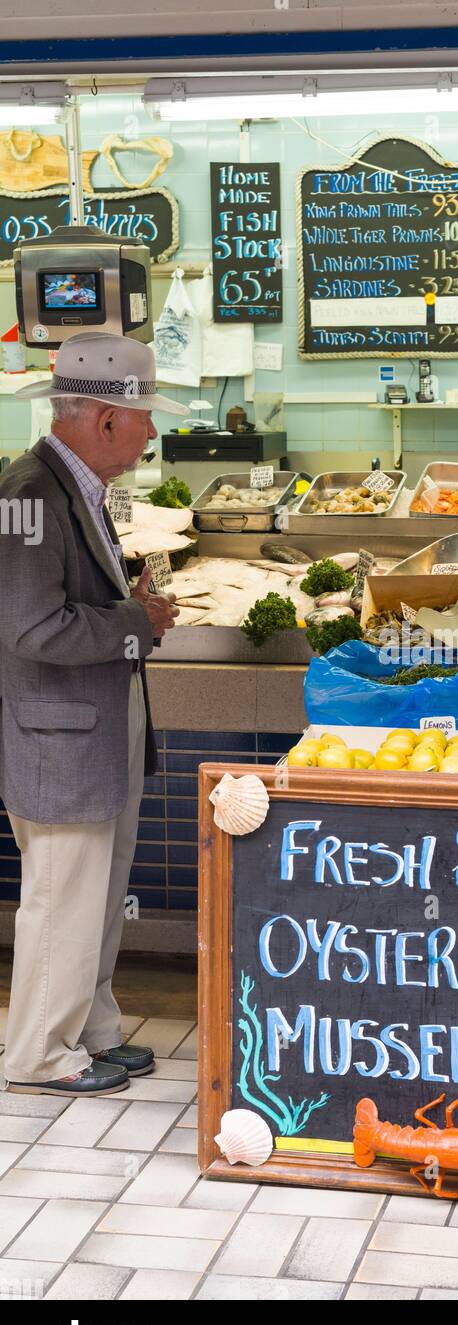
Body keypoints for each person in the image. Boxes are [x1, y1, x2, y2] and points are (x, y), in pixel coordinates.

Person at [0, 332, 184, 1097]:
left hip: (95, 724)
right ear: (105, 420)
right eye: (145, 418)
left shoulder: (75, 486)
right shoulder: (29, 496)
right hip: (60, 735)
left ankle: (91, 1028)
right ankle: (41, 1053)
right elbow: (30, 627)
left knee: (99, 894)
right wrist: (135, 624)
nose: (152, 433)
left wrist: (128, 606)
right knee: (64, 897)